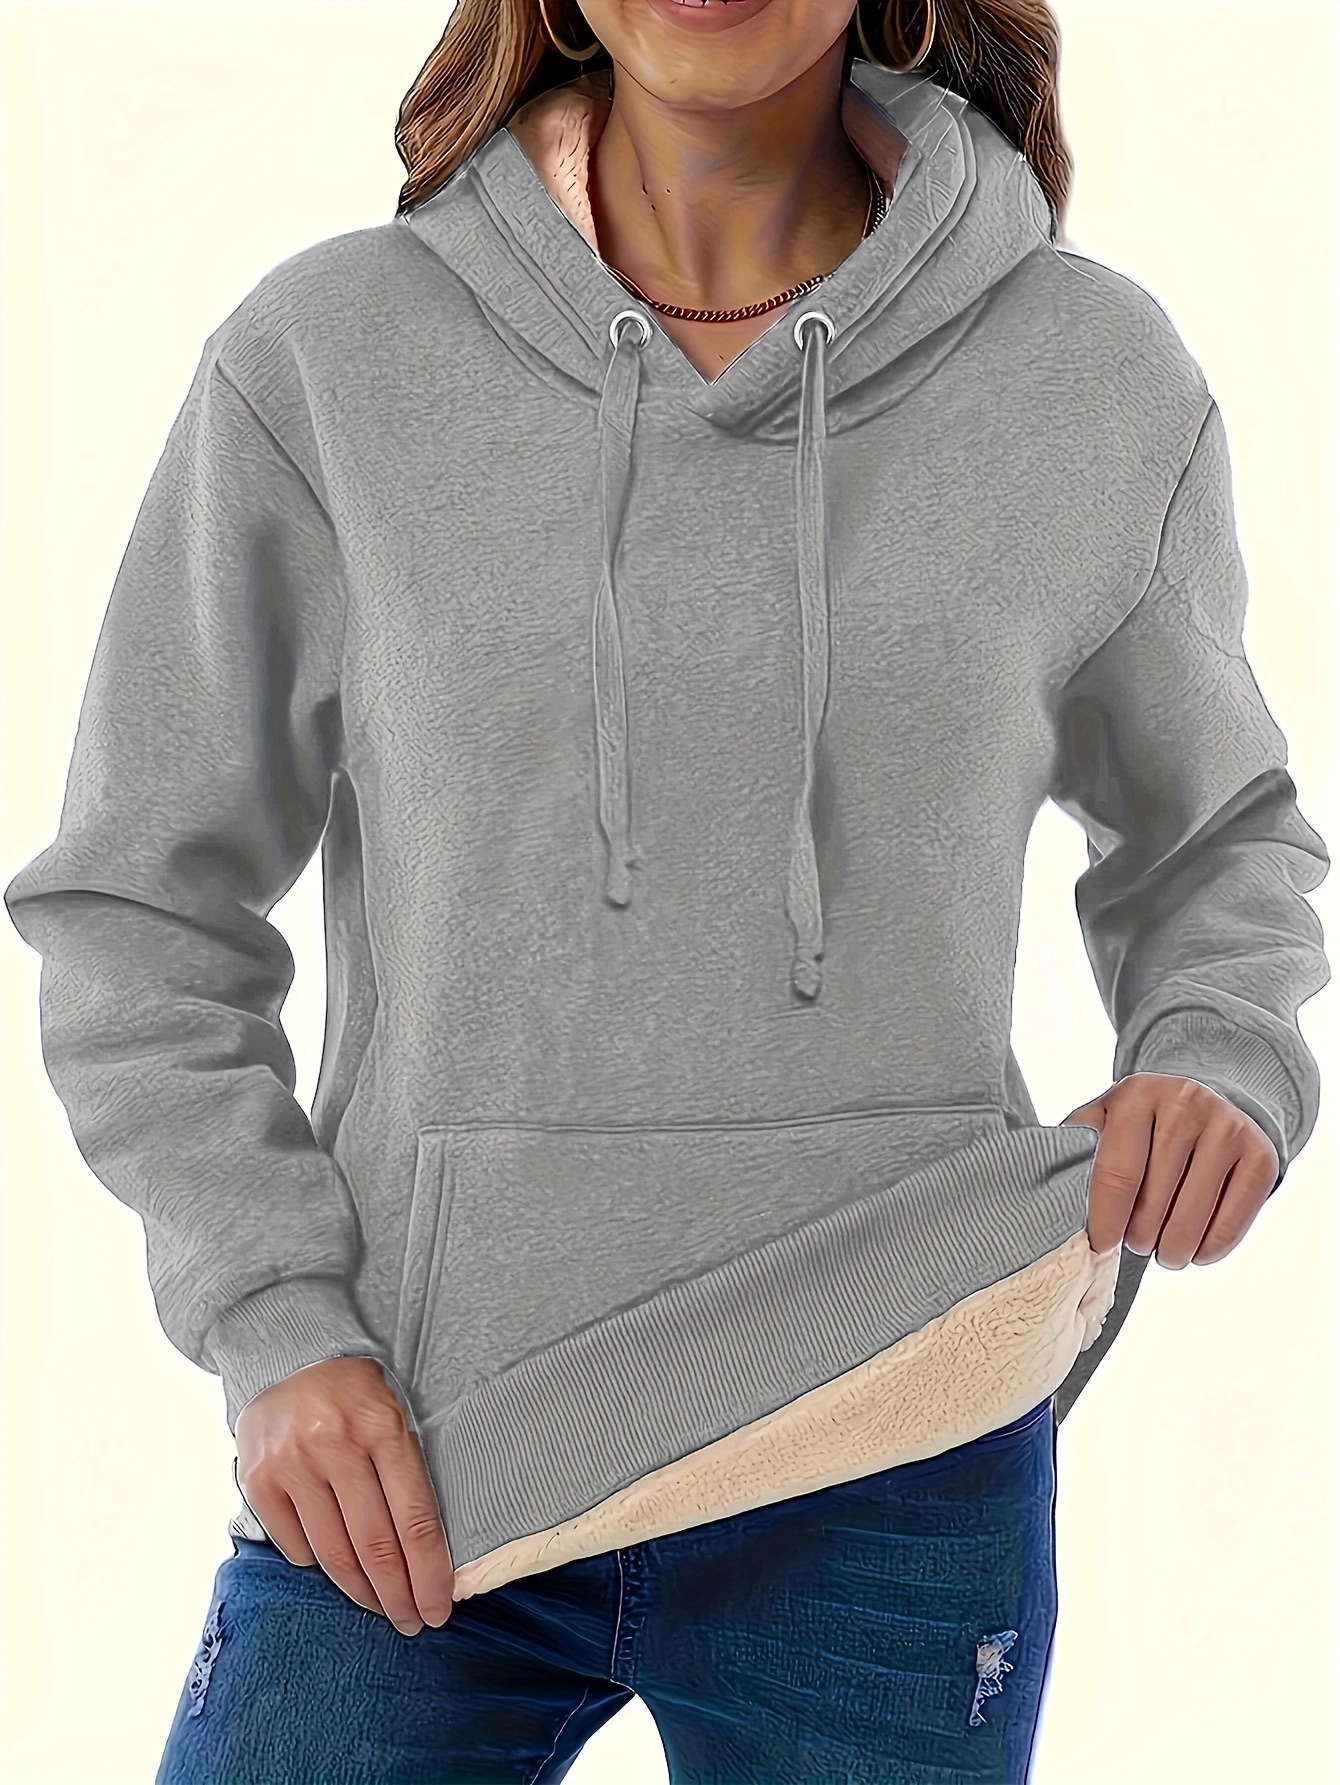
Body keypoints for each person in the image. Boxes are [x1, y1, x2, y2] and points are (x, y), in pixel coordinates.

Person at [5, 0, 1329, 1779]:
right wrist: (275, 1325)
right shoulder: (325, 361)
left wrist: (1218, 1044)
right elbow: (137, 908)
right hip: (423, 1456)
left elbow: (1219, 836)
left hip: (897, 1431)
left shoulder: (1090, 377)